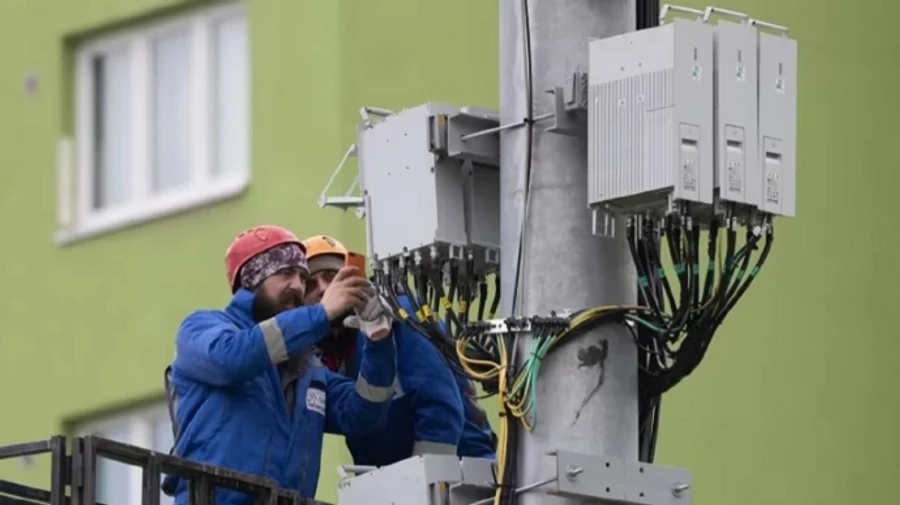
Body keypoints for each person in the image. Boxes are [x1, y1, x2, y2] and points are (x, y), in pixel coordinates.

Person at [163, 225, 398, 504]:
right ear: (251, 280)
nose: (298, 286)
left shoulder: (309, 369)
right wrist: (321, 314)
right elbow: (232, 358)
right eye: (286, 273)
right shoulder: (201, 327)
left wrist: (378, 339)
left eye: (302, 277)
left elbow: (364, 415)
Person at [301, 235, 496, 465]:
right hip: (395, 479)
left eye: (331, 276)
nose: (323, 289)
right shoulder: (319, 357)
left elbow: (439, 405)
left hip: (462, 470)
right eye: (310, 285)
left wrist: (428, 477)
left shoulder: (397, 313)